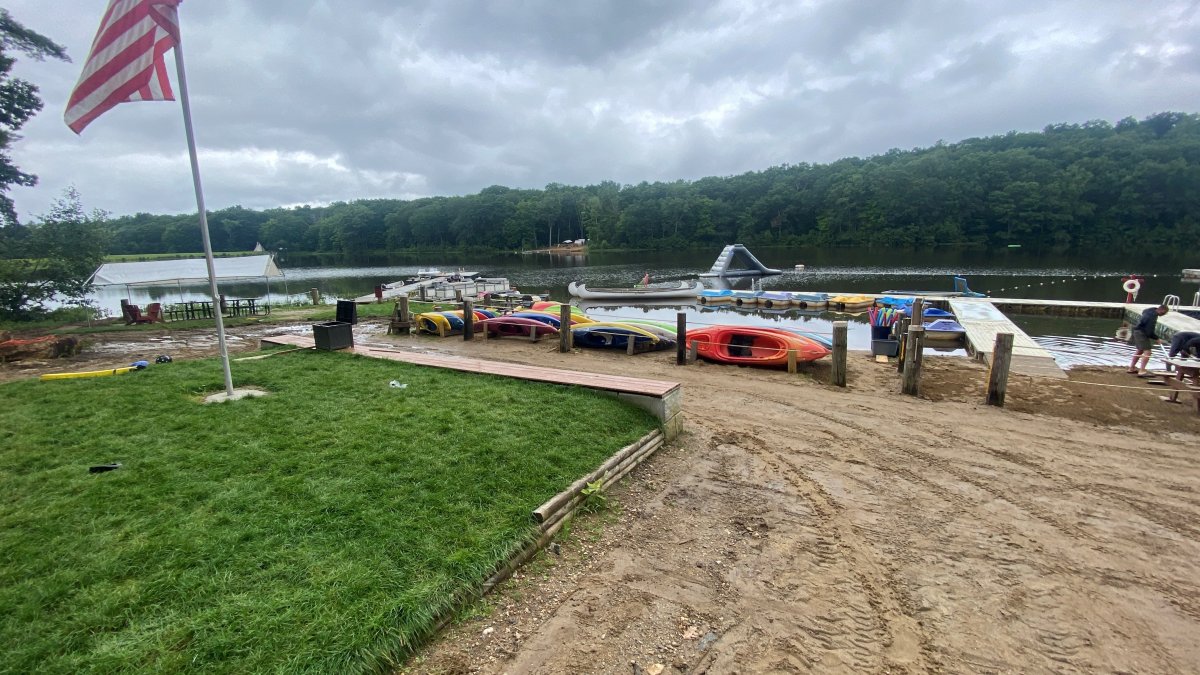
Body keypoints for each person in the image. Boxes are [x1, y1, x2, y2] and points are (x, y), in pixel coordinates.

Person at [1127, 304, 1169, 374]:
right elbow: (1149, 331)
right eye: (1164, 313)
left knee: (1140, 350)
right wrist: (1157, 338)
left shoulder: (1149, 311)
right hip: (1141, 333)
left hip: (1136, 331)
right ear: (1162, 310)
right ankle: (1142, 370)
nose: (1164, 314)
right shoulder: (1152, 316)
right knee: (1148, 352)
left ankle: (1131, 368)